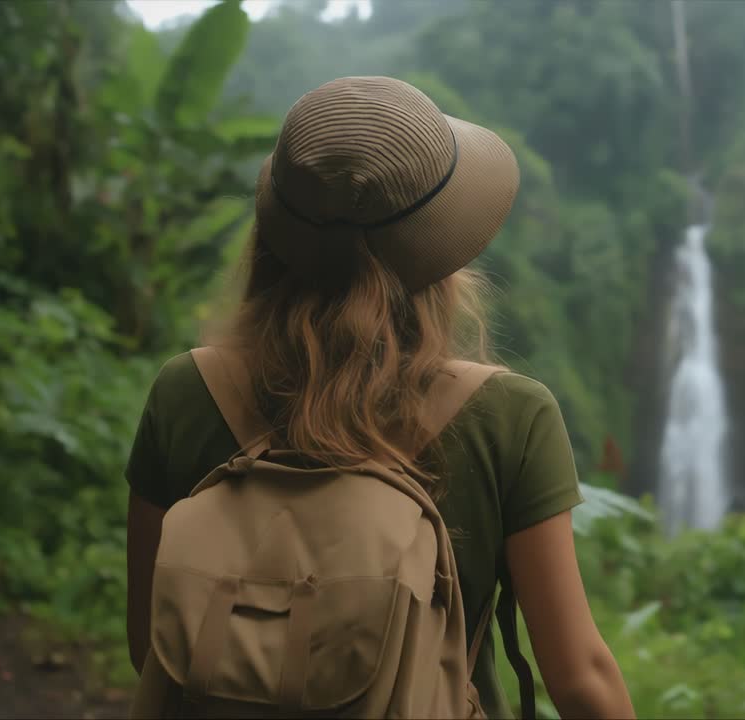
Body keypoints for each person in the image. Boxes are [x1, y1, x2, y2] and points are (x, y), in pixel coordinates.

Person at [124, 76, 635, 719]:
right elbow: (581, 679)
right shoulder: (508, 416)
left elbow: (150, 644)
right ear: (441, 248)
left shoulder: (186, 392)